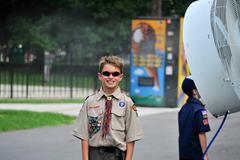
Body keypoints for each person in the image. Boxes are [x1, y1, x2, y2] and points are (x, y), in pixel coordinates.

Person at [73, 55, 144, 160]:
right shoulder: (90, 102)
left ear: (120, 77)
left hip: (118, 155)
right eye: (106, 73)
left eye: (115, 74)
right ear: (100, 76)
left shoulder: (128, 103)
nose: (111, 77)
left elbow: (131, 136)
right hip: (95, 154)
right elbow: (84, 135)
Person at [178, 77, 211, 160]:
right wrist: (205, 155)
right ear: (194, 91)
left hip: (183, 153)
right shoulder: (200, 110)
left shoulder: (183, 109)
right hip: (196, 154)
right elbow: (201, 133)